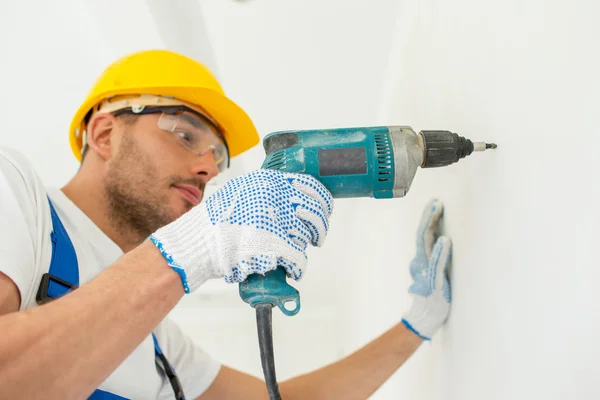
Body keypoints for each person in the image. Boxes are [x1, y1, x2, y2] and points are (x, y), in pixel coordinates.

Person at [0, 49, 453, 400]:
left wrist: (418, 322)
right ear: (104, 134)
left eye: (218, 156)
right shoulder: (18, 194)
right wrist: (190, 249)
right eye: (185, 135)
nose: (208, 169)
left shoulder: (158, 345)